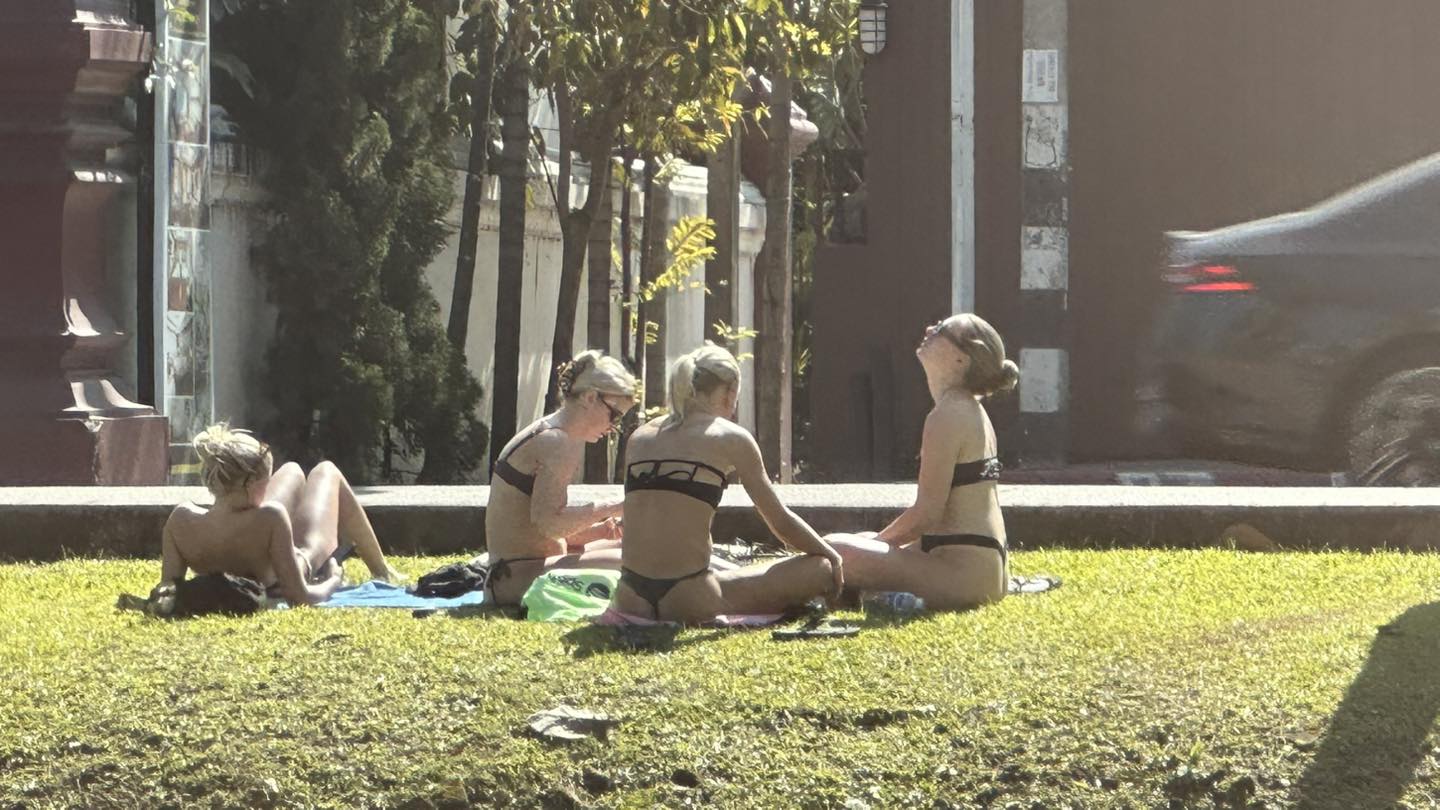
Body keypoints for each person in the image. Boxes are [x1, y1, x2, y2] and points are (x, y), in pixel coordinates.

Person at [614, 343, 844, 624]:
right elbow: (780, 522)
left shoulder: (640, 436)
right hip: (688, 596)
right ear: (730, 392)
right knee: (819, 568)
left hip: (629, 596)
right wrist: (832, 556)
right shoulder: (730, 437)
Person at [825, 313, 1020, 609]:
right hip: (981, 572)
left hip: (962, 577)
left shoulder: (948, 415)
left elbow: (926, 514)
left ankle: (858, 594)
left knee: (834, 551)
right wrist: (872, 543)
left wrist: (875, 545)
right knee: (854, 542)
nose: (929, 328)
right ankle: (869, 594)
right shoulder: (966, 409)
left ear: (960, 359)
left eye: (942, 330)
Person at [158, 425, 401, 606]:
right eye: (266, 482)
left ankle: (383, 570)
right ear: (252, 484)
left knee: (293, 471)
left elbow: (169, 590)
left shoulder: (180, 519)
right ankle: (382, 571)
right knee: (327, 472)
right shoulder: (271, 517)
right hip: (296, 563)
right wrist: (334, 579)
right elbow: (302, 597)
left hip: (242, 547)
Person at [482, 350, 638, 606]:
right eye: (615, 415)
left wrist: (602, 530)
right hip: (517, 582)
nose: (614, 428)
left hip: (506, 578)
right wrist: (615, 505)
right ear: (590, 398)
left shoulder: (553, 432)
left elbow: (532, 528)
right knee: (641, 561)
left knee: (632, 549)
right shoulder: (557, 442)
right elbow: (550, 524)